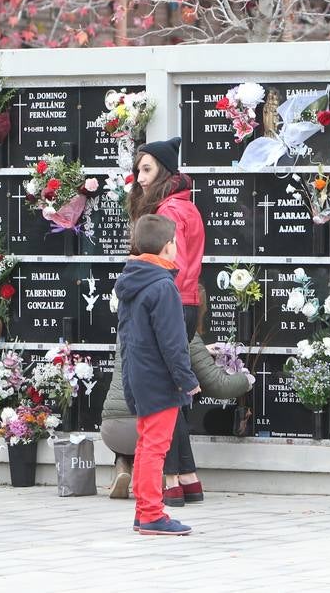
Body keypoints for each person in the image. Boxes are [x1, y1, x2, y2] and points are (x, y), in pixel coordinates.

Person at [100, 289, 252, 500]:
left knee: (133, 410)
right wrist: (247, 379)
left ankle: (123, 467)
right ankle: (174, 478)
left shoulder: (131, 320)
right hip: (147, 426)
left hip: (111, 429)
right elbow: (219, 385)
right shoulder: (180, 324)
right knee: (171, 408)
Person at [127, 136, 207, 507]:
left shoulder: (169, 212)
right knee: (172, 393)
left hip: (171, 301)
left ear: (163, 170)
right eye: (138, 170)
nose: (139, 178)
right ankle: (189, 477)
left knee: (163, 397)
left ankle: (172, 479)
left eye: (146, 169)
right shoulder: (186, 206)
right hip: (186, 302)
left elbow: (171, 267)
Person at [115, 213, 201, 537]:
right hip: (160, 378)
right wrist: (187, 380)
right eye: (176, 242)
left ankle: (143, 510)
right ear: (168, 247)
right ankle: (152, 513)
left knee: (145, 444)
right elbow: (173, 342)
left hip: (139, 374)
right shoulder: (163, 286)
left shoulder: (133, 281)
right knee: (155, 447)